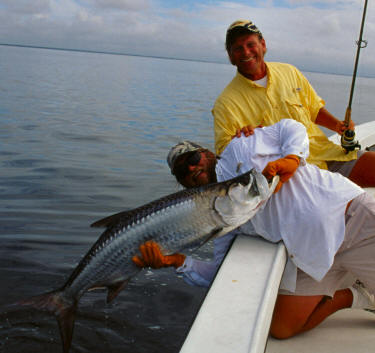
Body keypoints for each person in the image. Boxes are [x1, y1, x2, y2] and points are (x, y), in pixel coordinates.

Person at [132, 119, 375, 339]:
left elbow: (290, 127)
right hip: (313, 257)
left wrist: (292, 157)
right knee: (281, 328)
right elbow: (217, 273)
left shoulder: (240, 146)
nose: (193, 169)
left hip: (352, 219)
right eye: (183, 172)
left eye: (193, 160)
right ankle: (358, 295)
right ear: (183, 185)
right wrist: (175, 261)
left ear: (207, 153)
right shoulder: (220, 220)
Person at [212, 19, 375, 188]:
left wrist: (338, 126)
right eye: (238, 48)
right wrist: (240, 142)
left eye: (250, 44)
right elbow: (224, 157)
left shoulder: (289, 71)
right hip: (288, 179)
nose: (246, 52)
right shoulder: (225, 104)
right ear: (230, 56)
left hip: (325, 154)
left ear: (263, 45)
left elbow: (314, 109)